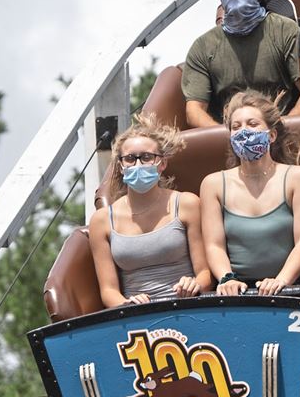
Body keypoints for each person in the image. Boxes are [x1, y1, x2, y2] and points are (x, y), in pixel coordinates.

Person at [200, 91, 300, 296]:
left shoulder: (298, 177)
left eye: (252, 124)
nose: (243, 132)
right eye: (236, 127)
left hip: (289, 288)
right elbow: (214, 245)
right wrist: (227, 278)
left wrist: (281, 280)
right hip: (238, 290)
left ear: (271, 135)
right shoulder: (213, 184)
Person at [89, 117, 211, 306]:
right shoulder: (102, 220)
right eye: (130, 159)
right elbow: (108, 290)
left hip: (188, 306)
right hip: (137, 318)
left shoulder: (187, 203)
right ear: (121, 166)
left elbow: (204, 273)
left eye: (146, 157)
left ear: (162, 164)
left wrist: (194, 285)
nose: (138, 165)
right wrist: (126, 304)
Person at [182, 0, 300, 127]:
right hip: (229, 138)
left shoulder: (285, 30)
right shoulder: (203, 46)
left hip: (281, 134)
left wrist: (283, 130)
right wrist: (229, 137)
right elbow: (194, 111)